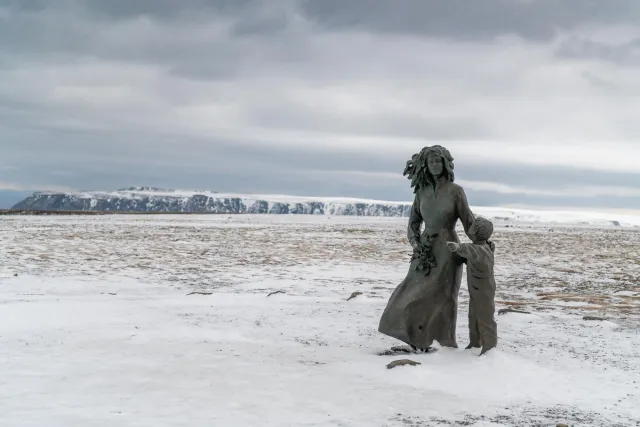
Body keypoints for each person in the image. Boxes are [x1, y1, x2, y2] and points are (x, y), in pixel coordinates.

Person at [378, 145, 475, 351]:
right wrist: (415, 244)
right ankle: (416, 337)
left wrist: (482, 241)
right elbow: (413, 223)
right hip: (424, 250)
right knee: (410, 291)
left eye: (438, 161)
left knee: (444, 296)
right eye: (431, 162)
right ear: (425, 165)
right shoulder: (421, 192)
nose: (435, 165)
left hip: (448, 249)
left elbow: (469, 223)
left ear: (445, 163)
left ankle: (444, 343)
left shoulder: (456, 191)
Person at [446, 217, 497, 356]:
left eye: (472, 227)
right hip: (476, 290)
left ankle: (490, 347)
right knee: (473, 317)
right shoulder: (485, 247)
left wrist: (458, 247)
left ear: (475, 232)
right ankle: (475, 342)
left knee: (485, 319)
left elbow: (471, 250)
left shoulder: (481, 250)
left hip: (484, 291)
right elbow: (471, 253)